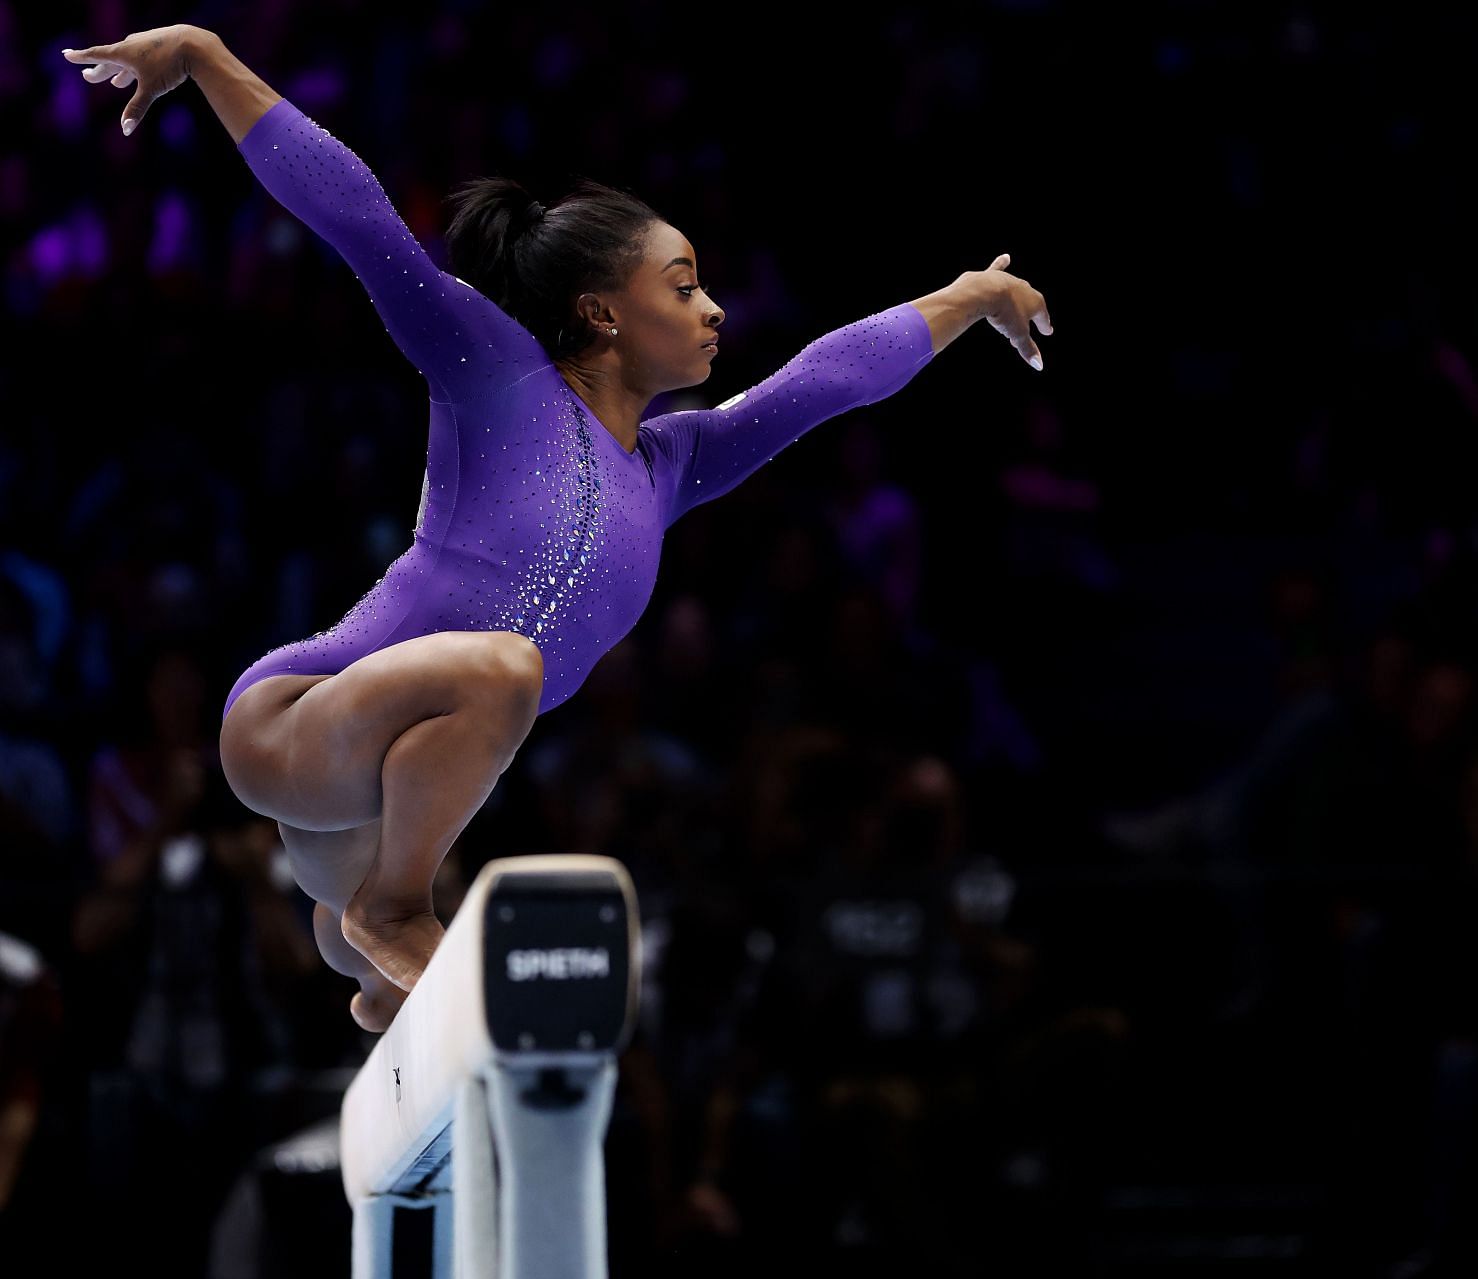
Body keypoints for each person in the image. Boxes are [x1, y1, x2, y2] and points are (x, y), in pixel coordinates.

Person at [62, 24, 1052, 1033]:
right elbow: (360, 220)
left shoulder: (671, 468)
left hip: (365, 809)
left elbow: (821, 382)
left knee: (407, 941)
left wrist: (966, 298)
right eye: (683, 286)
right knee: (505, 672)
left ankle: (362, 936)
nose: (713, 310)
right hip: (297, 721)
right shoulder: (494, 370)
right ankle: (395, 907)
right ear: (603, 312)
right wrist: (204, 57)